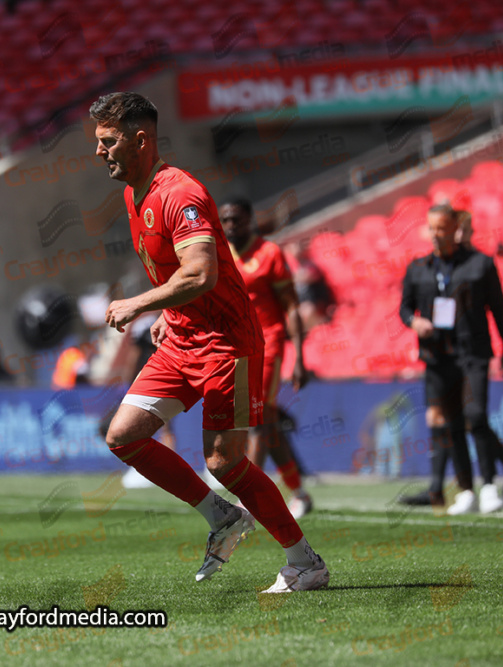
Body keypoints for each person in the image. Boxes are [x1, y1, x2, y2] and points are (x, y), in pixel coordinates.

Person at [89, 91, 328, 592]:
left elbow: (200, 273)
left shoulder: (181, 195)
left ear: (141, 140)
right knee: (123, 436)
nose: (99, 152)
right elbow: (177, 273)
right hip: (182, 339)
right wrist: (169, 310)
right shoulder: (133, 194)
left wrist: (140, 304)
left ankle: (305, 563)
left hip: (228, 346)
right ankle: (222, 516)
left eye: (108, 141)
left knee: (225, 461)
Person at [399, 204, 503, 515]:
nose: (435, 234)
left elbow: (499, 308)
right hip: (437, 356)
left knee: (475, 415)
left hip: (473, 353)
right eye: (431, 228)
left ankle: (488, 485)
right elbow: (404, 308)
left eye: (441, 228)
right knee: (452, 424)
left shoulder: (480, 265)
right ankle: (466, 489)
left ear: (455, 229)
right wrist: (414, 322)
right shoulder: (418, 268)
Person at [220, 197, 314, 519]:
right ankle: (299, 492)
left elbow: (291, 306)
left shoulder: (269, 253)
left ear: (250, 220)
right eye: (225, 220)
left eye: (237, 219)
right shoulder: (220, 254)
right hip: (235, 347)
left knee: (255, 419)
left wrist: (299, 357)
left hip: (268, 344)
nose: (231, 225)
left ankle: (248, 500)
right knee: (267, 423)